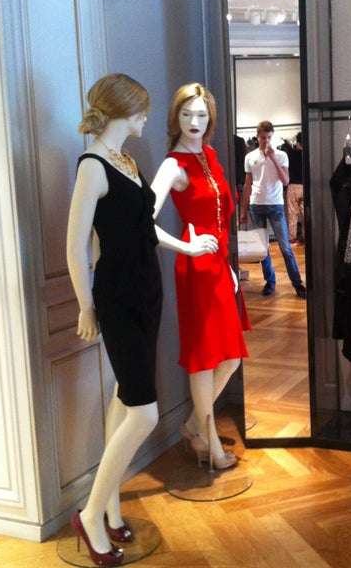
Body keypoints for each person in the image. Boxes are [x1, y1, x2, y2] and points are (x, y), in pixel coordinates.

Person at [66, 74, 218, 566]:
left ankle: (110, 510)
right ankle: (91, 515)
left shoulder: (126, 162)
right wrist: (86, 306)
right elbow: (75, 246)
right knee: (145, 413)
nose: (148, 117)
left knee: (124, 399)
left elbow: (143, 230)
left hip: (146, 293)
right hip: (118, 299)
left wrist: (187, 248)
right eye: (142, 110)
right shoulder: (93, 166)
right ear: (121, 110)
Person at [151, 82, 250, 471]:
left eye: (201, 114)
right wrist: (186, 247)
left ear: (211, 118)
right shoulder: (173, 165)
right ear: (175, 117)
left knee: (230, 359)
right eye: (187, 113)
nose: (194, 121)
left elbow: (221, 216)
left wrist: (227, 265)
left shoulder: (209, 156)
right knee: (205, 360)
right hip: (196, 270)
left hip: (219, 266)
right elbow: (143, 220)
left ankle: (194, 426)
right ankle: (210, 443)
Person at [241, 120, 307, 298]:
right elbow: (247, 184)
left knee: (285, 247)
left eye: (269, 137)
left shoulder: (281, 155)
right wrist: (243, 212)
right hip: (256, 205)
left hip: (276, 205)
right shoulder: (250, 157)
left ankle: (297, 284)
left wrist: (273, 158)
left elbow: (286, 181)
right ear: (257, 137)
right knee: (263, 248)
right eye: (263, 137)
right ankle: (269, 282)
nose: (266, 141)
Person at [285, 131, 305, 243]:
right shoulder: (307, 155)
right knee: (305, 214)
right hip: (305, 186)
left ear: (298, 143)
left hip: (293, 185)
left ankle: (292, 238)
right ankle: (306, 237)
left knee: (292, 213)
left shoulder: (291, 154)